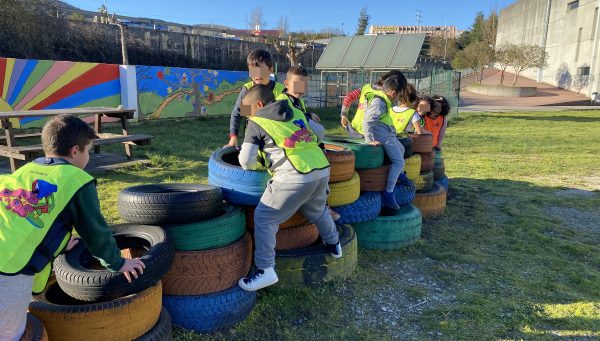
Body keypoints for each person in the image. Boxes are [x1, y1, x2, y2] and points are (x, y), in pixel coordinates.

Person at [0, 115, 145, 340]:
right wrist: (117, 262)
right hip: (8, 272)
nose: (87, 158)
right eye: (88, 151)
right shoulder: (76, 179)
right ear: (75, 150)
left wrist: (59, 241)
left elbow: (24, 216)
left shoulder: (25, 171)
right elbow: (95, 232)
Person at [237, 84, 341, 291]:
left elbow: (246, 160)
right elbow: (320, 134)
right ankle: (335, 244)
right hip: (320, 169)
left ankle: (265, 270)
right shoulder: (294, 109)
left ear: (258, 105)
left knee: (264, 218)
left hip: (293, 176)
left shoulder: (256, 122)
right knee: (318, 210)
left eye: (246, 110)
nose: (246, 115)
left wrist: (256, 163)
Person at [277, 65, 340, 221]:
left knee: (322, 162)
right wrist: (307, 118)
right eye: (298, 82)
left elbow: (300, 117)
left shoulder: (298, 101)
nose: (301, 86)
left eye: (304, 83)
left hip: (304, 143)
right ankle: (319, 207)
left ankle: (322, 205)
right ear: (286, 83)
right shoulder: (281, 102)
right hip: (292, 149)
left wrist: (307, 114)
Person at [356, 75, 409, 210]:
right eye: (398, 95)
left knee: (402, 149)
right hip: (383, 135)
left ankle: (400, 174)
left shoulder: (383, 97)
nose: (398, 99)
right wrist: (369, 140)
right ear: (393, 93)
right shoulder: (379, 103)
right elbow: (367, 122)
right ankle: (388, 193)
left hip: (387, 132)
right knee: (399, 162)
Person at [226, 49, 286, 147]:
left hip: (276, 142)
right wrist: (233, 137)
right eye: (254, 71)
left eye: (261, 70)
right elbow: (238, 114)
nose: (257, 75)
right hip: (252, 140)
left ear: (271, 69)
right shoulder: (247, 90)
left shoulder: (281, 91)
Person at [340, 70, 404, 136]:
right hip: (371, 134)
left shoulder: (366, 87)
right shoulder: (386, 95)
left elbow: (348, 97)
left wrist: (343, 115)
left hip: (354, 129)